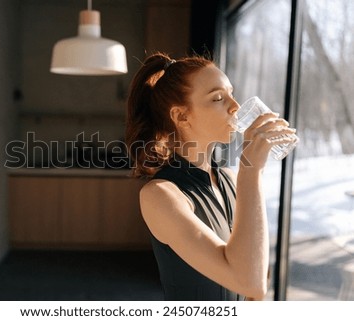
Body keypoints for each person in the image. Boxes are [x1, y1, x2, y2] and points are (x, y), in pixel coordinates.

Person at [125, 52, 297, 300]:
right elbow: (250, 283)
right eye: (218, 98)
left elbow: (259, 276)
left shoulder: (227, 178)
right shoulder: (160, 195)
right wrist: (251, 170)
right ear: (181, 116)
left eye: (231, 93)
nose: (235, 106)